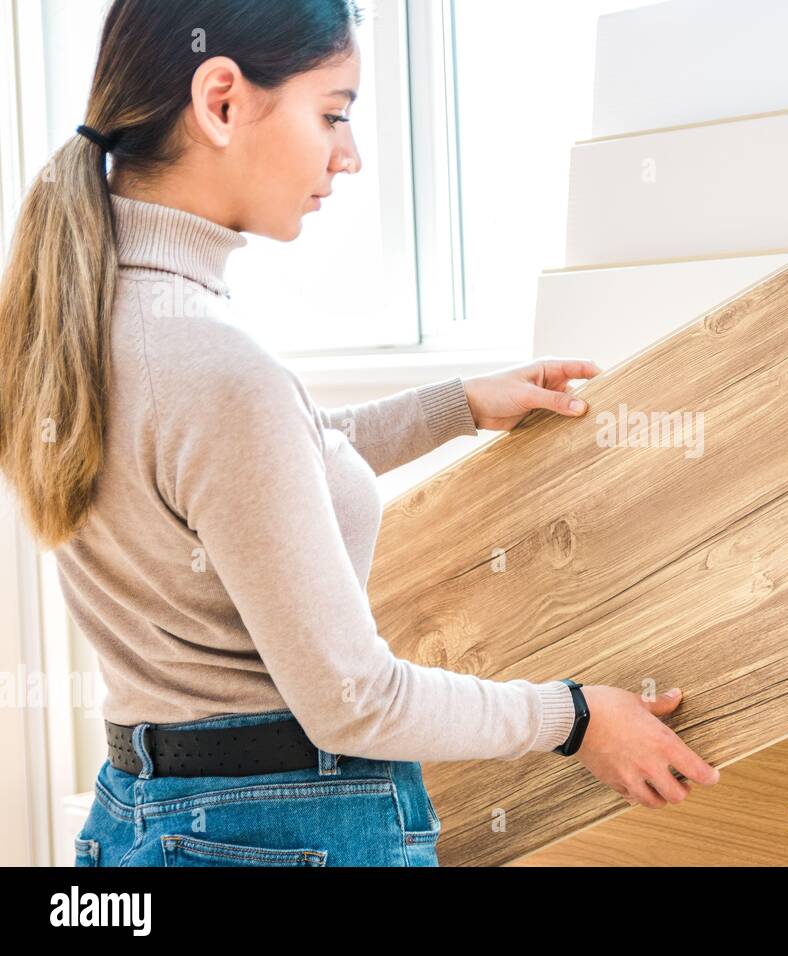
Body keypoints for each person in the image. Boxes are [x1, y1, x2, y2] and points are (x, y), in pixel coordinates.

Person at [0, 0, 718, 867]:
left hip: (144, 817)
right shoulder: (215, 370)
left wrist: (452, 407)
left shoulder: (88, 325)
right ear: (221, 99)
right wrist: (574, 718)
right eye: (333, 112)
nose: (350, 155)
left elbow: (248, 477)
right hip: (284, 832)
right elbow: (356, 702)